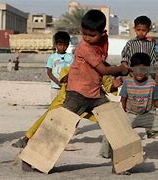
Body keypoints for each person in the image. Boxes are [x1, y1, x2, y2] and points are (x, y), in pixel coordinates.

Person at [62, 10, 129, 174]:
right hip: (76, 93)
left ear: (102, 33)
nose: (87, 38)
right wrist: (120, 69)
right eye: (84, 33)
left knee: (115, 126)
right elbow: (102, 69)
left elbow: (101, 62)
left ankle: (122, 164)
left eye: (92, 35)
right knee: (59, 127)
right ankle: (33, 159)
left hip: (95, 94)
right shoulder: (84, 47)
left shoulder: (102, 42)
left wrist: (118, 69)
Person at [101, 53, 158, 173]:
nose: (139, 72)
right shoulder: (127, 83)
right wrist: (122, 118)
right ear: (131, 69)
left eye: (143, 69)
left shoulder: (152, 84)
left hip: (147, 114)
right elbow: (123, 100)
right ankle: (114, 161)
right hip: (130, 114)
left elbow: (156, 102)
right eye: (136, 68)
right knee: (114, 131)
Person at [46, 31, 74, 100]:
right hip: (55, 87)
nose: (62, 47)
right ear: (55, 45)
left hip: (67, 87)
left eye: (65, 45)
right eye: (60, 45)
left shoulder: (70, 57)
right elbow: (49, 72)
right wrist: (57, 82)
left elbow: (73, 70)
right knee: (54, 105)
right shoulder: (52, 57)